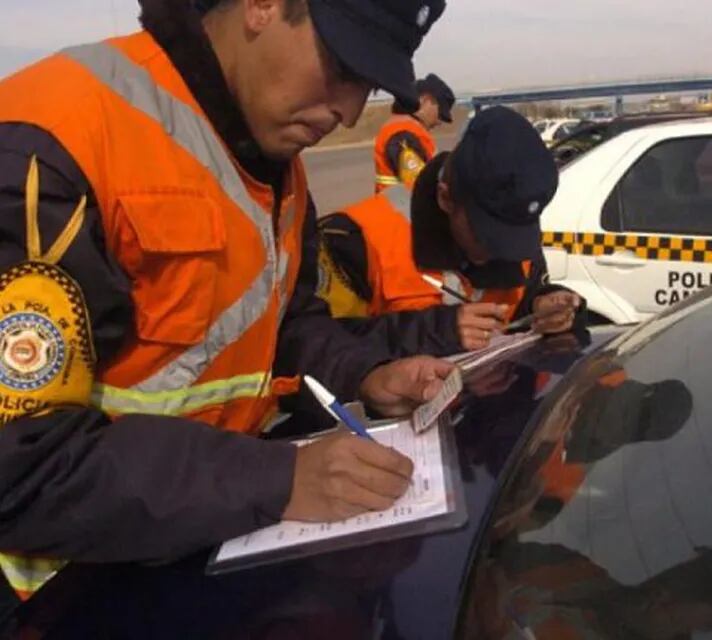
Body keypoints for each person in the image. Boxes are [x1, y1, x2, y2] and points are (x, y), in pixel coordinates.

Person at [0, 0, 452, 603]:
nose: (348, 112)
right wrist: (274, 479)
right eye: (344, 66)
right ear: (262, 6)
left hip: (194, 567)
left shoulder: (278, 169)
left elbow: (284, 323)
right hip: (55, 598)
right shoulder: (49, 140)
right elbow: (20, 461)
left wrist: (366, 375)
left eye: (365, 85)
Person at [319, 106, 586, 355]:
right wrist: (434, 331)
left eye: (511, 236)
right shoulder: (356, 239)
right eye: (486, 234)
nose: (497, 251)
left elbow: (524, 300)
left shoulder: (514, 227)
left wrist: (542, 305)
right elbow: (318, 349)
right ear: (445, 198)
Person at [374, 73, 455, 193]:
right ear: (426, 101)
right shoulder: (403, 135)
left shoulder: (403, 129)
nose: (439, 122)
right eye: (440, 114)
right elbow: (419, 189)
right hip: (401, 211)